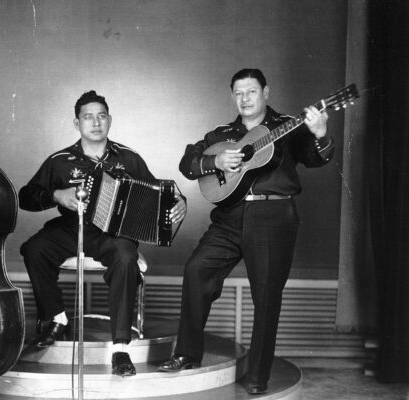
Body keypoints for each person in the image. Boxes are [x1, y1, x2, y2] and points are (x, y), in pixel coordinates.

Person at [157, 69, 335, 395]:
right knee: (197, 269)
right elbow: (188, 162)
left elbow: (316, 158)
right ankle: (186, 354)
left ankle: (257, 377)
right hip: (228, 217)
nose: (244, 99)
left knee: (266, 298)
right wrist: (217, 162)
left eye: (251, 92)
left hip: (273, 216)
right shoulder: (222, 133)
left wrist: (321, 134)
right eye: (238, 93)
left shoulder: (287, 126)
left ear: (266, 92)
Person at [19, 90, 187, 376]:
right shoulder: (60, 160)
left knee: (125, 259)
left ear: (109, 120)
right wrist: (57, 194)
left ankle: (120, 349)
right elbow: (26, 197)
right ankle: (57, 319)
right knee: (34, 248)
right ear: (77, 123)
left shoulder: (130, 158)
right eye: (88, 117)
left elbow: (158, 193)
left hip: (115, 232)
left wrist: (179, 200)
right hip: (73, 226)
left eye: (101, 116)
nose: (95, 122)